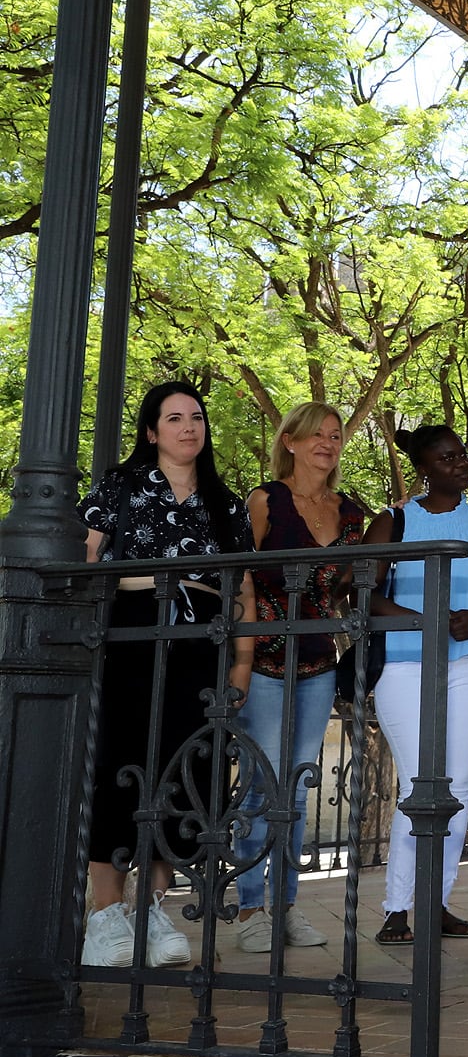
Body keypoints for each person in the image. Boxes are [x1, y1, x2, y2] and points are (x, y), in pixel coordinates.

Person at [78, 380, 256, 968]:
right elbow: (86, 556)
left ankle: (150, 910)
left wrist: (242, 665)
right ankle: (103, 917)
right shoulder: (120, 487)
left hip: (199, 643)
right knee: (118, 768)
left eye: (197, 418)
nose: (189, 427)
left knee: (183, 773)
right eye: (175, 418)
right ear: (152, 431)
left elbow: (243, 586)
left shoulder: (224, 503)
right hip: (130, 637)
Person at [368, 425, 468, 944]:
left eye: (463, 456)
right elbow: (362, 591)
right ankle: (396, 908)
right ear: (424, 467)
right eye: (447, 457)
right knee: (418, 787)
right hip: (406, 665)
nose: (460, 463)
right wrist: (421, 619)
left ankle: (436, 902)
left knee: (457, 789)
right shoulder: (394, 520)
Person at [232, 402, 366, 953]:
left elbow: (355, 583)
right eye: (315, 436)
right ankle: (249, 908)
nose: (327, 445)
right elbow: (240, 576)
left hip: (318, 661)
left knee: (301, 782)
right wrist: (239, 658)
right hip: (262, 658)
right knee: (262, 782)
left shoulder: (352, 511)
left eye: (335, 436)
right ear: (289, 442)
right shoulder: (266, 501)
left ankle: (286, 905)